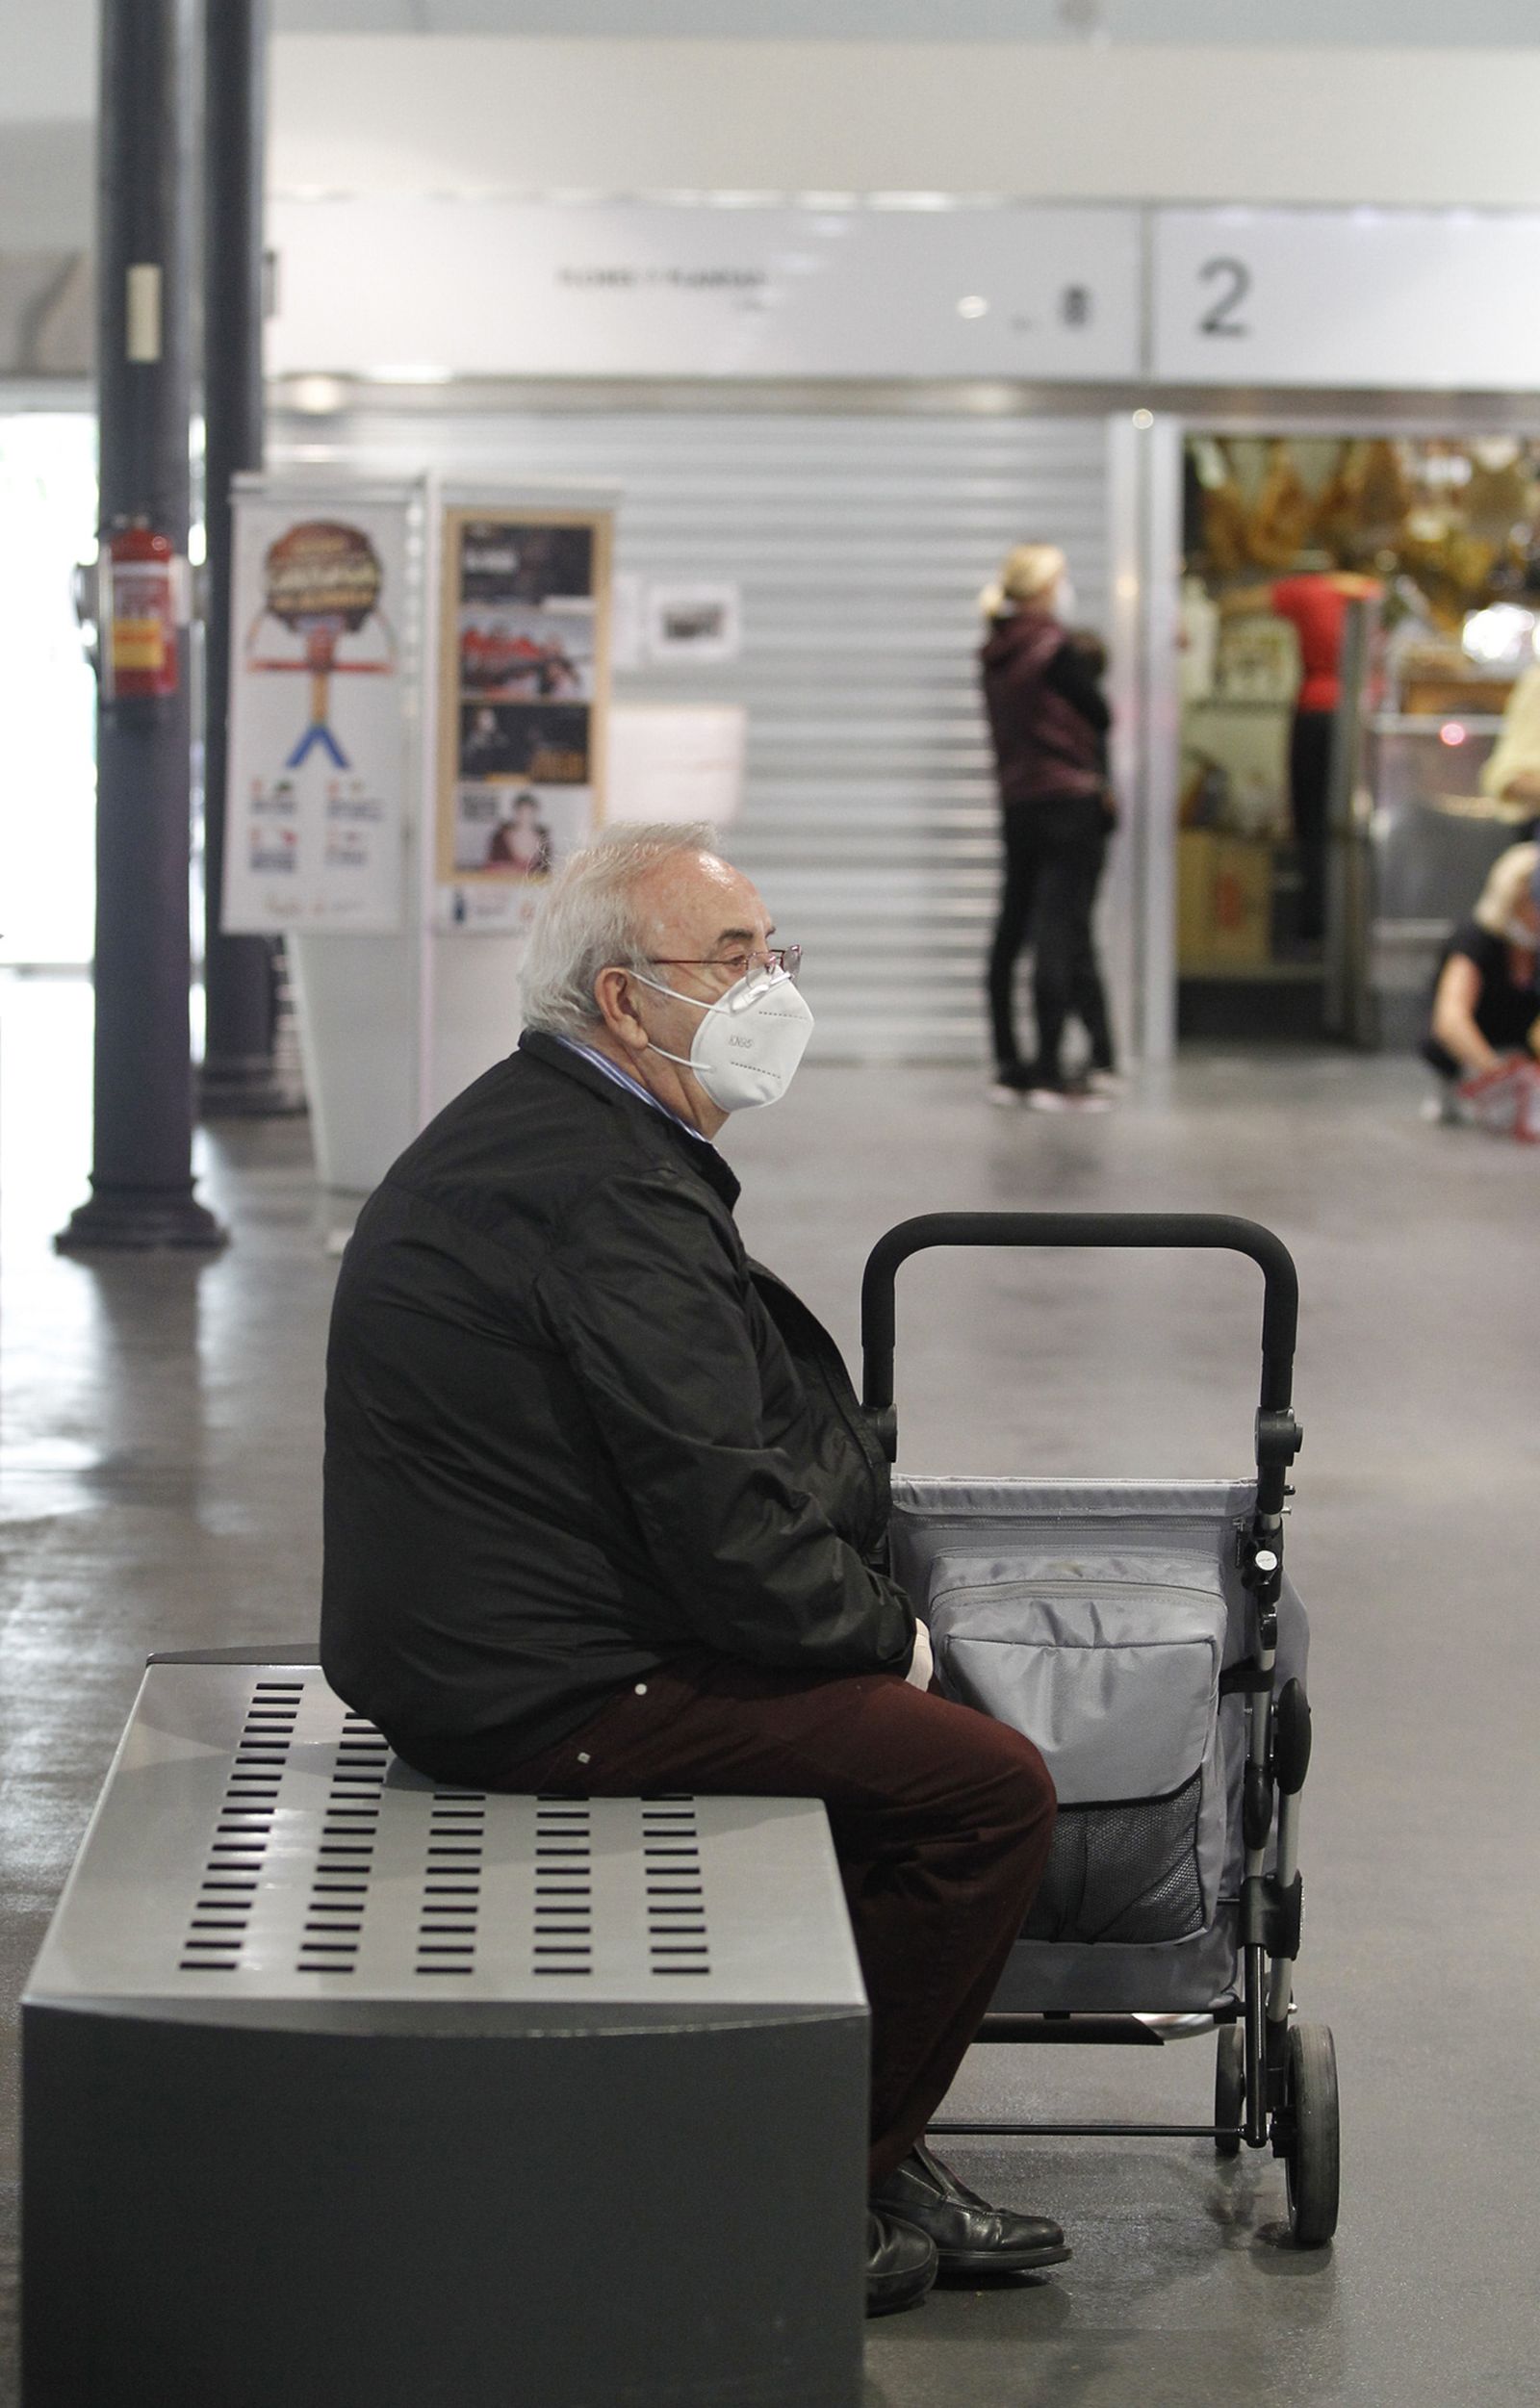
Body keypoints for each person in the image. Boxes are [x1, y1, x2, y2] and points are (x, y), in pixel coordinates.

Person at [321, 823, 1065, 2319]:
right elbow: (730, 1533)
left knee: (882, 1739)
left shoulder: (564, 1135)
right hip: (544, 1682)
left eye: (772, 951)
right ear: (619, 1002)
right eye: (730, 959)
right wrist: (897, 1639)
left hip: (504, 1631)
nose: (768, 985)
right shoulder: (607, 1192)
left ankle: (873, 2134)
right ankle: (813, 2172)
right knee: (986, 1785)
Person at [979, 545, 1118, 1111]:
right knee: (1060, 934)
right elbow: (1100, 715)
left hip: (1020, 804)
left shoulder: (995, 650)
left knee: (1013, 928)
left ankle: (1011, 1063)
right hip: (1068, 803)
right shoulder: (1054, 648)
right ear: (1042, 588)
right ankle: (1051, 1070)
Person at [1219, 568, 1380, 947]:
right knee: (1355, 820)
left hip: (1316, 712)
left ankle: (1315, 921)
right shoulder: (1375, 593)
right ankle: (1354, 919)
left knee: (1311, 819)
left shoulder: (1308, 591)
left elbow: (1234, 605)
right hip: (1361, 716)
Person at [1421, 841, 1540, 1110]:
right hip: (1473, 1054)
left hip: (1522, 1050)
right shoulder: (1475, 941)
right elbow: (1450, 1021)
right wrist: (1497, 1073)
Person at [487, 788, 552, 876]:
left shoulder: (544, 840)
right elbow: (491, 867)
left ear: (535, 813)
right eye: (521, 812)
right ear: (515, 812)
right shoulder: (500, 837)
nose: (525, 816)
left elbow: (546, 871)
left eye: (529, 812)